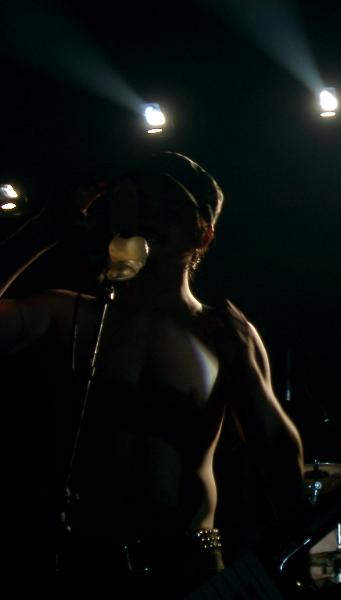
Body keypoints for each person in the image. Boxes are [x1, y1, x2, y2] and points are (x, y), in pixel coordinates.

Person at [0, 152, 304, 596]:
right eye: (142, 201)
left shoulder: (225, 334)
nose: (151, 215)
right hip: (81, 564)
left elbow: (279, 458)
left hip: (191, 566)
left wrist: (248, 374)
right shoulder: (67, 312)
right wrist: (44, 230)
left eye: (170, 206)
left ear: (204, 232)